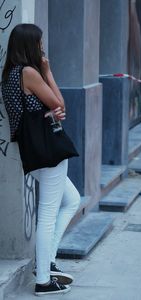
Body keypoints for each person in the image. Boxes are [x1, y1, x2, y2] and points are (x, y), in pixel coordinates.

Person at [1, 23, 81, 296]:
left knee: (72, 200)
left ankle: (46, 263)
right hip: (49, 149)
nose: (42, 47)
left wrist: (51, 110)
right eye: (38, 42)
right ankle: (44, 280)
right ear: (29, 45)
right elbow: (59, 104)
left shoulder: (10, 74)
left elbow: (43, 109)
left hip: (32, 150)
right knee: (47, 214)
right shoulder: (30, 73)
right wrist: (47, 71)